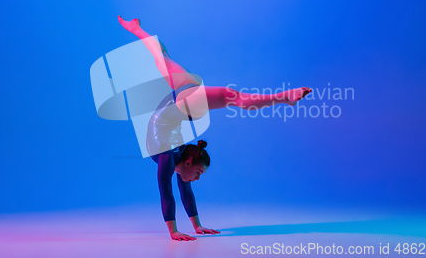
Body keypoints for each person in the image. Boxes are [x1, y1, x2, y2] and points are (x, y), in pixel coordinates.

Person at [118, 16, 311, 241]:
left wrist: (174, 231)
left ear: (189, 162)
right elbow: (185, 192)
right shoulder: (178, 158)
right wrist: (197, 226)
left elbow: (168, 194)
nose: (198, 179)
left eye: (199, 173)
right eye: (200, 173)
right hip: (181, 96)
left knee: (234, 97)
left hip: (181, 101)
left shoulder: (167, 157)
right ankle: (137, 29)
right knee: (162, 56)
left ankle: (284, 97)